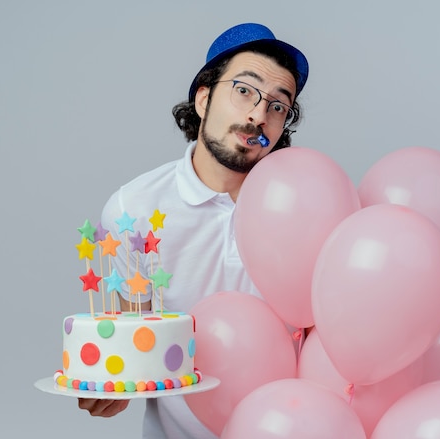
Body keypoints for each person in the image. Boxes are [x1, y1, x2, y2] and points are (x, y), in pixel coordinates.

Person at [78, 22, 309, 438]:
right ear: (203, 99)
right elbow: (133, 346)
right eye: (244, 90)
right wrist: (114, 386)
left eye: (278, 106)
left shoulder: (304, 207)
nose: (259, 114)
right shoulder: (134, 210)